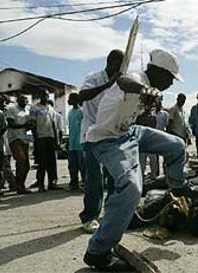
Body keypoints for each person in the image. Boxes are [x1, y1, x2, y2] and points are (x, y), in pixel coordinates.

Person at [82, 48, 187, 271]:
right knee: (130, 187)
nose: (170, 84)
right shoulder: (137, 78)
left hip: (131, 132)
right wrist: (144, 89)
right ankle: (98, 252)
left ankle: (178, 189)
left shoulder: (151, 86)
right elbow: (123, 81)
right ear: (158, 71)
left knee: (177, 146)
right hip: (107, 140)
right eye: (170, 78)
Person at [78, 49, 124, 233]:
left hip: (111, 134)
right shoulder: (94, 77)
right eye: (121, 65)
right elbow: (83, 96)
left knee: (114, 175)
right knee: (94, 178)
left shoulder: (121, 83)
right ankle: (89, 217)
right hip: (92, 133)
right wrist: (108, 84)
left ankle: (111, 214)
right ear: (112, 63)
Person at [30, 90, 61, 192]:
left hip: (51, 138)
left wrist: (57, 140)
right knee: (42, 162)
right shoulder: (34, 108)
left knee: (52, 162)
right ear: (40, 96)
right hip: (41, 138)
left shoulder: (50, 108)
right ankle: (41, 184)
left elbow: (54, 125)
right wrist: (36, 139)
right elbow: (33, 125)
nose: (45, 97)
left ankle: (52, 183)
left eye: (47, 95)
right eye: (43, 95)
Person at [5, 95, 32, 194]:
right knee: (21, 160)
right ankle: (19, 186)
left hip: (24, 139)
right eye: (22, 100)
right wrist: (24, 125)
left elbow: (26, 127)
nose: (25, 102)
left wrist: (29, 126)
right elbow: (10, 124)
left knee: (27, 165)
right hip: (15, 138)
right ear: (18, 100)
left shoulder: (27, 112)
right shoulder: (12, 109)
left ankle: (20, 184)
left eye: (26, 100)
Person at [67, 93, 84, 191]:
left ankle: (85, 183)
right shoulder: (70, 112)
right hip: (72, 143)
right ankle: (73, 183)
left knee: (82, 165)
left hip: (80, 144)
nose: (68, 100)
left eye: (70, 98)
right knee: (72, 165)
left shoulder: (82, 112)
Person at [136, 108, 158, 180]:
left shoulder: (141, 117)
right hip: (146, 142)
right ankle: (148, 176)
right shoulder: (151, 117)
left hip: (145, 142)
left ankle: (147, 176)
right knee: (147, 161)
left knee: (147, 161)